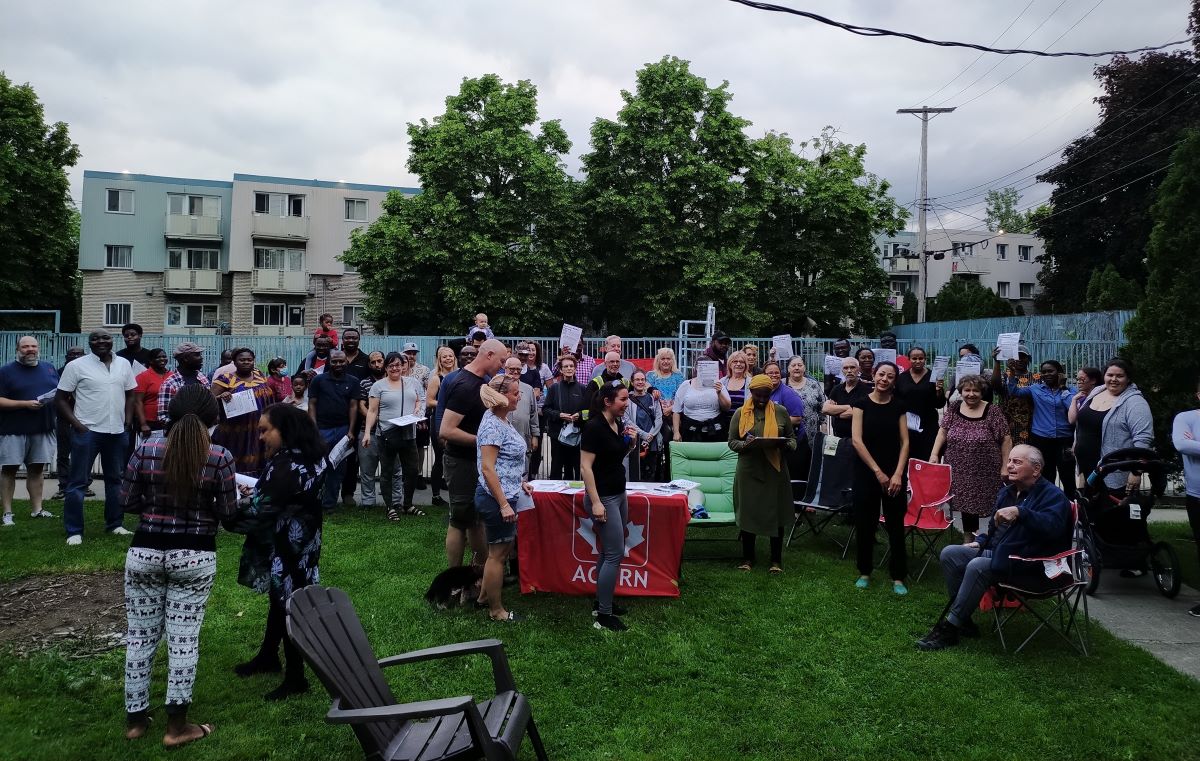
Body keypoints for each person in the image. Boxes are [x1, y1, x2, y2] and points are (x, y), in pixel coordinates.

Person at [119, 384, 235, 746]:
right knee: (183, 640)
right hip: (195, 556)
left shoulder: (146, 449)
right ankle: (176, 727)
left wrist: (156, 507)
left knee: (140, 637)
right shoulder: (219, 456)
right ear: (212, 418)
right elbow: (229, 514)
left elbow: (127, 501)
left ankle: (135, 720)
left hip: (145, 551)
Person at [917, 445, 1073, 651]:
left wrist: (1021, 512)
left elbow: (1053, 528)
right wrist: (981, 542)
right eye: (1009, 461)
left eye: (1017, 462)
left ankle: (951, 628)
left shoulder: (1053, 496)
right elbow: (995, 531)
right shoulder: (1007, 492)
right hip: (1002, 554)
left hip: (1031, 565)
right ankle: (965, 620)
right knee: (950, 554)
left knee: (978, 566)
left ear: (1036, 469)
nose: (1010, 466)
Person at [230, 403, 327, 701]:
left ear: (284, 430)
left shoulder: (284, 464)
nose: (260, 437)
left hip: (287, 548)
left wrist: (226, 511)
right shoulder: (313, 457)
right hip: (306, 543)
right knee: (280, 601)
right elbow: (281, 497)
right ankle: (268, 656)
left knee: (288, 606)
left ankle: (296, 678)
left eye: (265, 430)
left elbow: (260, 511)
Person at [56, 330, 137, 545]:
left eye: (105, 338)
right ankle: (74, 531)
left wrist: (128, 421)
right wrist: (77, 425)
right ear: (89, 343)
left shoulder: (124, 364)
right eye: (95, 339)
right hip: (87, 432)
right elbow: (61, 399)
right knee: (78, 482)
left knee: (116, 480)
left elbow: (131, 394)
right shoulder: (76, 366)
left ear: (112, 340)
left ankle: (115, 524)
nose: (101, 341)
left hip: (117, 431)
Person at [440, 338, 506, 570]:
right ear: (489, 355)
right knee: (459, 520)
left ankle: (478, 572)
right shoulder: (465, 385)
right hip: (461, 463)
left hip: (474, 462)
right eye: (501, 361)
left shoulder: (482, 381)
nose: (502, 366)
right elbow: (447, 430)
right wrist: (483, 442)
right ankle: (455, 578)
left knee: (475, 519)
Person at [473, 374, 533, 622]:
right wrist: (504, 504)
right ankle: (496, 611)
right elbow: (488, 468)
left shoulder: (501, 419)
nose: (519, 397)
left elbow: (504, 462)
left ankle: (483, 597)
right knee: (497, 556)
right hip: (496, 499)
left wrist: (518, 481)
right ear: (501, 396)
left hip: (506, 493)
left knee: (502, 550)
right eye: (515, 393)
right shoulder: (492, 425)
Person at [581, 380, 637, 632]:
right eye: (623, 399)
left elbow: (614, 457)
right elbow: (586, 467)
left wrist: (631, 443)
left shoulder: (618, 423)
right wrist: (595, 502)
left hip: (618, 493)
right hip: (604, 498)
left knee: (608, 552)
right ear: (607, 401)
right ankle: (604, 615)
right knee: (614, 554)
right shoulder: (594, 427)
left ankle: (602, 602)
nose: (627, 404)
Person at [850, 362, 910, 594]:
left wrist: (898, 474)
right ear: (874, 375)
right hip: (867, 472)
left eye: (890, 376)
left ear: (895, 381)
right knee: (865, 523)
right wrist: (877, 471)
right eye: (881, 374)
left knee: (895, 524)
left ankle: (898, 576)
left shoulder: (899, 406)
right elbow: (857, 441)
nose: (885, 379)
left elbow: (905, 442)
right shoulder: (861, 404)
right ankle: (865, 571)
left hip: (894, 474)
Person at [929, 375, 1012, 543]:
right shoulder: (954, 408)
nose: (971, 394)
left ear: (982, 392)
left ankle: (992, 540)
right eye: (967, 390)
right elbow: (943, 431)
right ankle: (968, 541)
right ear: (961, 392)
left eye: (976, 390)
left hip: (986, 470)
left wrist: (1005, 466)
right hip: (959, 468)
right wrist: (934, 454)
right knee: (966, 505)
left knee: (991, 504)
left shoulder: (993, 411)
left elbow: (1006, 439)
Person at [729, 374, 797, 573]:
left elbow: (792, 439)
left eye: (765, 395)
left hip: (775, 470)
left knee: (776, 512)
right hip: (749, 470)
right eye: (757, 395)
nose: (761, 399)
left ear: (771, 393)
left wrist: (785, 444)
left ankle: (776, 560)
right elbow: (732, 442)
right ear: (751, 392)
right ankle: (748, 558)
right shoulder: (740, 413)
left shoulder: (781, 412)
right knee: (749, 512)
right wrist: (746, 444)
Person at [1072, 359, 1153, 497]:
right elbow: (1083, 422)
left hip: (1113, 473)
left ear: (1128, 378)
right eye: (1110, 375)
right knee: (1091, 508)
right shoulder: (1097, 391)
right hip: (1087, 469)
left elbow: (1143, 439)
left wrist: (1136, 472)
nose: (1114, 379)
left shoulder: (1135, 403)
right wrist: (1076, 442)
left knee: (1113, 509)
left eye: (1119, 376)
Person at [0, 336, 59, 525]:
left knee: (37, 469)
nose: (30, 349)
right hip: (13, 429)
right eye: (25, 346)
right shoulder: (5, 371)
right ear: (18, 349)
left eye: (33, 346)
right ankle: (7, 513)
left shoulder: (49, 368)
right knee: (9, 469)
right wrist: (24, 404)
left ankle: (37, 509)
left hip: (42, 428)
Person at [362, 352, 426, 520]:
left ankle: (408, 504)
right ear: (386, 368)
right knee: (387, 471)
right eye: (391, 366)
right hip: (387, 434)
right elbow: (372, 411)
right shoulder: (379, 386)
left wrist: (418, 410)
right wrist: (367, 432)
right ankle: (390, 507)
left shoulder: (412, 382)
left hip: (408, 433)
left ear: (403, 366)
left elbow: (420, 400)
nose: (395, 368)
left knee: (412, 470)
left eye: (398, 365)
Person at [1005, 359, 1076, 491]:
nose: (1046, 374)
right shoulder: (1035, 389)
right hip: (1042, 439)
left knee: (1067, 475)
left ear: (1059, 373)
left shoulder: (1071, 391)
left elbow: (1072, 406)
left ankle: (1070, 502)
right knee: (1046, 474)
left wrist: (1062, 387)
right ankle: (1048, 501)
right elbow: (1014, 391)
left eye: (1050, 371)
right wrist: (1012, 373)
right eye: (1044, 372)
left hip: (1064, 439)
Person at [212, 348, 277, 477]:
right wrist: (221, 397)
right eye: (242, 360)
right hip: (236, 431)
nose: (246, 362)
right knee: (237, 459)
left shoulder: (259, 375)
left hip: (258, 428)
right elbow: (209, 400)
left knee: (259, 458)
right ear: (234, 362)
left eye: (249, 360)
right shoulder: (225, 379)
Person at [307, 350, 358, 510]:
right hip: (322, 429)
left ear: (346, 362)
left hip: (342, 430)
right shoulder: (318, 380)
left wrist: (351, 431)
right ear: (329, 362)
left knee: (338, 468)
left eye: (341, 361)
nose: (338, 364)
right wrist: (314, 429)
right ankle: (314, 501)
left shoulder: (353, 381)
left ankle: (329, 504)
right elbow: (312, 404)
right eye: (334, 361)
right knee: (318, 467)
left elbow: (353, 406)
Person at [1170, 378, 1200, 617]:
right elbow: (1182, 444)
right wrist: (1190, 444)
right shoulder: (1186, 418)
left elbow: (1191, 446)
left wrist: (1195, 443)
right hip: (1196, 495)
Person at [895, 346, 946, 462]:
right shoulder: (902, 378)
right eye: (914, 358)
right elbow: (896, 401)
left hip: (928, 425)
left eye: (921, 358)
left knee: (927, 459)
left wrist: (939, 391)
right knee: (908, 458)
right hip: (907, 426)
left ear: (925, 359)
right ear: (909, 359)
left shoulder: (933, 377)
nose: (918, 361)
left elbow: (940, 404)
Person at [51, 345, 88, 501]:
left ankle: (84, 485)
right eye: (72, 354)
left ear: (84, 355)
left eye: (79, 354)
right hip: (64, 418)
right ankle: (63, 486)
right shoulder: (58, 373)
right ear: (66, 357)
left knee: (84, 453)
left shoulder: (89, 371)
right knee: (63, 453)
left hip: (85, 418)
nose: (75, 356)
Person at [426, 346, 458, 507]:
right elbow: (429, 401)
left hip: (456, 422)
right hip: (439, 421)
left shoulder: (459, 376)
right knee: (440, 458)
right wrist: (446, 405)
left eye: (450, 356)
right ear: (439, 360)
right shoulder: (436, 378)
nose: (448, 359)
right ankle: (436, 495)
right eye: (444, 357)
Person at [544, 356, 586, 479]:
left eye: (571, 366)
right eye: (566, 366)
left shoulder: (582, 388)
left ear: (575, 369)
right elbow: (545, 409)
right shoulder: (554, 388)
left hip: (576, 435)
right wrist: (559, 415)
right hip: (558, 435)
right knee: (556, 468)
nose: (569, 368)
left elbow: (589, 411)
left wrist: (580, 415)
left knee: (577, 468)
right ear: (561, 370)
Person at [785, 355, 826, 476]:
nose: (796, 368)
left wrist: (823, 428)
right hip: (789, 436)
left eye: (800, 365)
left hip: (811, 436)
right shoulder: (782, 385)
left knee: (809, 469)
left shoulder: (814, 384)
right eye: (793, 365)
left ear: (804, 367)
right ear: (788, 368)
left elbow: (822, 408)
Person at [673, 358, 731, 443]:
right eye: (702, 366)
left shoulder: (718, 384)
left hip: (714, 431)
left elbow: (727, 408)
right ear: (696, 367)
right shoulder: (686, 385)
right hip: (690, 431)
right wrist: (676, 432)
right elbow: (676, 411)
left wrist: (719, 393)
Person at [990, 343, 1035, 446]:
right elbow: (995, 386)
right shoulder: (1005, 376)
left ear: (1028, 359)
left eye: (1022, 356)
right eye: (1016, 356)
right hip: (1006, 420)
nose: (1019, 360)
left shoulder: (1036, 378)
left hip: (1028, 423)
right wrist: (997, 362)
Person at [502, 357, 540, 477]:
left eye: (518, 369)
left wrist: (535, 436)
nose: (515, 372)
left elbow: (533, 414)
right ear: (505, 368)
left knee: (523, 473)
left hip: (523, 436)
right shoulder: (498, 386)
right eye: (512, 369)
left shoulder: (528, 389)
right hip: (503, 437)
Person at [156, 342, 211, 424]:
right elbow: (163, 417)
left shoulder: (202, 377)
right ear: (186, 358)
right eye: (197, 355)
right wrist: (186, 426)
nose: (201, 358)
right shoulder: (170, 384)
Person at [624, 369, 663, 481]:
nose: (640, 382)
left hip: (652, 442)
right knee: (635, 474)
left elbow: (659, 419)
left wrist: (650, 436)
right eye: (637, 380)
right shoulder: (627, 400)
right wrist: (644, 435)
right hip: (635, 442)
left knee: (650, 475)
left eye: (642, 379)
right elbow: (627, 420)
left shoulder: (653, 398)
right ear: (632, 382)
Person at [822, 357, 870, 439]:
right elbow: (826, 409)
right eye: (846, 368)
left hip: (860, 438)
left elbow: (861, 413)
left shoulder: (867, 391)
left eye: (852, 367)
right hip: (839, 438)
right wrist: (848, 407)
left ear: (859, 369)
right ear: (842, 370)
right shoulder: (837, 389)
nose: (849, 371)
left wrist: (836, 413)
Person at [648, 347, 685, 451]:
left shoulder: (679, 376)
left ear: (672, 360)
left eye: (668, 359)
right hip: (656, 415)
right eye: (662, 359)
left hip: (675, 414)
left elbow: (683, 397)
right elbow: (646, 393)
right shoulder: (651, 376)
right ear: (658, 360)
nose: (665, 361)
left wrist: (670, 409)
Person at [132, 348, 170, 438]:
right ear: (151, 361)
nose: (162, 359)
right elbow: (137, 402)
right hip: (150, 423)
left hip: (169, 421)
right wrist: (143, 424)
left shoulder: (172, 375)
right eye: (158, 357)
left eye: (164, 356)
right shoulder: (143, 377)